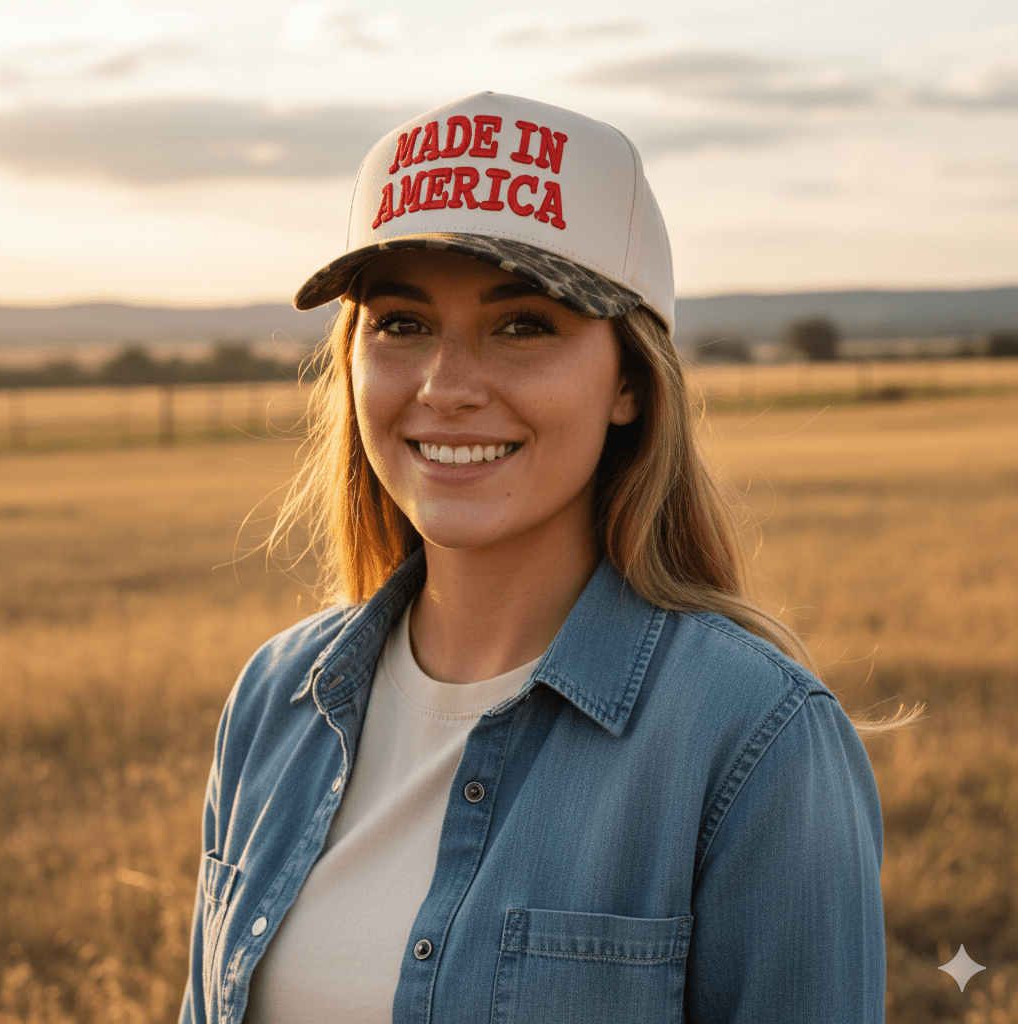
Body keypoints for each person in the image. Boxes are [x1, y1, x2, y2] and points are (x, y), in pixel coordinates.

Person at [180, 92, 888, 1023]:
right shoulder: (279, 699)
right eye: (401, 322)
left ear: (630, 380)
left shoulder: (754, 741)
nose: (447, 386)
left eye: (523, 325)